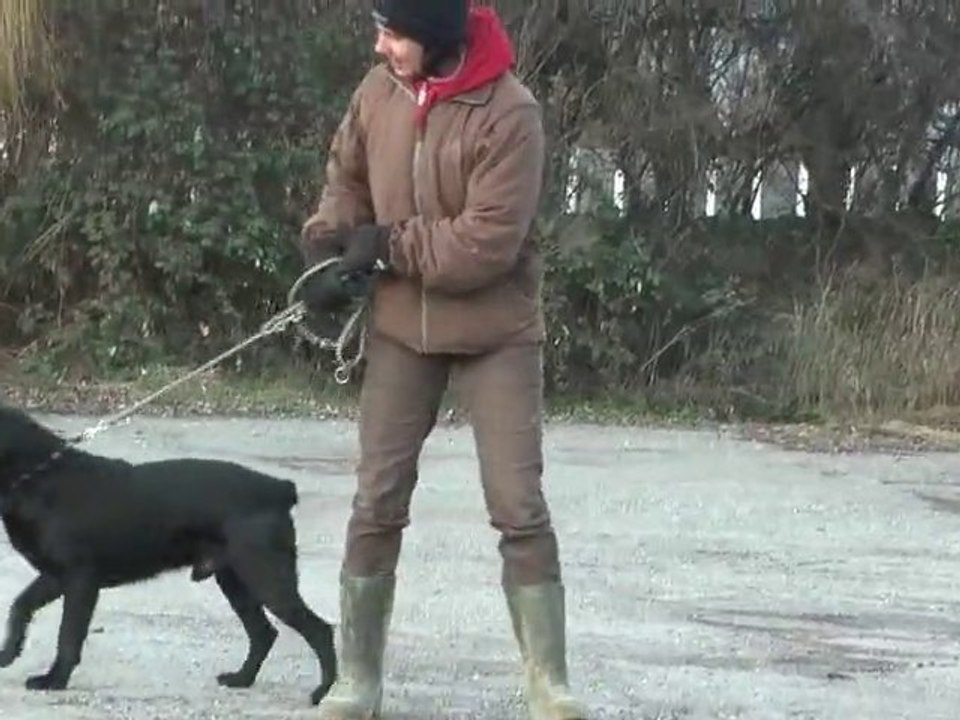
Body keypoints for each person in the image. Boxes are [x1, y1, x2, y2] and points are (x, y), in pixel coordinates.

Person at [298, 2, 588, 719]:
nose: (381, 44)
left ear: (434, 38)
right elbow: (347, 178)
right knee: (375, 501)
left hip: (497, 334)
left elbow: (485, 244)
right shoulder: (377, 91)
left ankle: (548, 684)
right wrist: (328, 250)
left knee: (518, 506)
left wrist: (389, 245)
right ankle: (357, 678)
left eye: (393, 32)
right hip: (401, 330)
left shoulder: (512, 112)